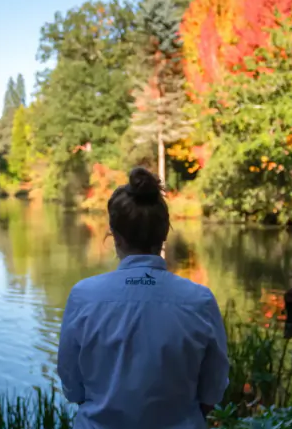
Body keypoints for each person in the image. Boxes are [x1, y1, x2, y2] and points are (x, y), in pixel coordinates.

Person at [57, 167, 229, 429]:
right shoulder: (199, 300)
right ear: (164, 233)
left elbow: (72, 386)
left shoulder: (84, 296)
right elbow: (213, 389)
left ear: (115, 236)